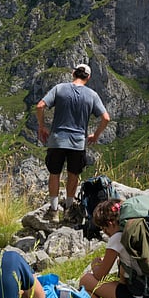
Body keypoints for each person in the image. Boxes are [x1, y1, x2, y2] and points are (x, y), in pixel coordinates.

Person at [36, 63, 111, 218]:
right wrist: (95, 135)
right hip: (78, 143)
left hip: (57, 140)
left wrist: (42, 127)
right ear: (88, 77)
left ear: (73, 73)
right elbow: (106, 118)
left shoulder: (59, 89)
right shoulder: (92, 95)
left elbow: (40, 106)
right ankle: (69, 209)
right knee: (73, 174)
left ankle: (54, 210)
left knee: (54, 173)